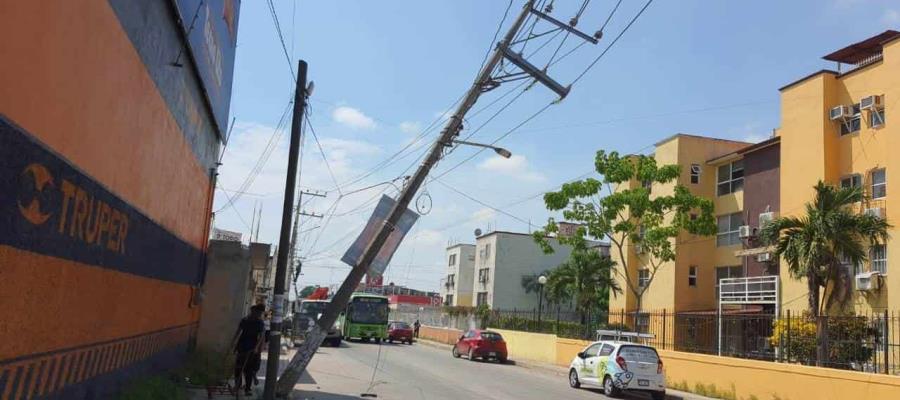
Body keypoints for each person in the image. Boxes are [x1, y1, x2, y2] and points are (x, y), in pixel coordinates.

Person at [231, 304, 265, 397]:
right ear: (253, 311)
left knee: (248, 369)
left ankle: (248, 389)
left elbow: (261, 336)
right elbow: (238, 332)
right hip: (241, 346)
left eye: (260, 313)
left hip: (252, 349)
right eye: (258, 312)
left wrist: (256, 348)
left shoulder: (260, 322)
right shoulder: (245, 320)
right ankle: (237, 386)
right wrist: (233, 344)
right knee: (238, 368)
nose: (259, 314)